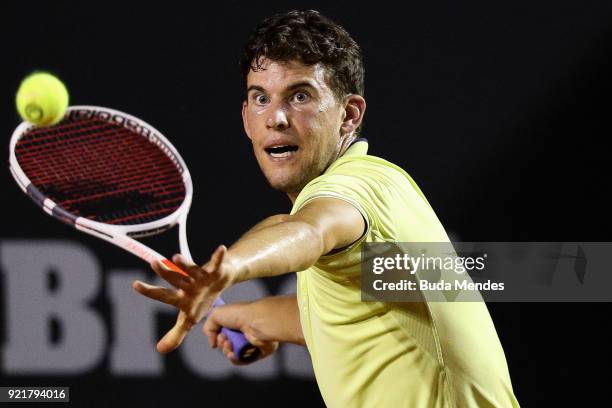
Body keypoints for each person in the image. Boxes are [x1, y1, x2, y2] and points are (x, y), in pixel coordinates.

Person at [133, 9, 520, 407]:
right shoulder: (387, 185)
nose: (277, 118)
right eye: (260, 98)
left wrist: (229, 268)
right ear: (247, 119)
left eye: (300, 96)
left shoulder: (356, 187)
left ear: (349, 115)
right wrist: (257, 317)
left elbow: (308, 231)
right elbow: (350, 313)